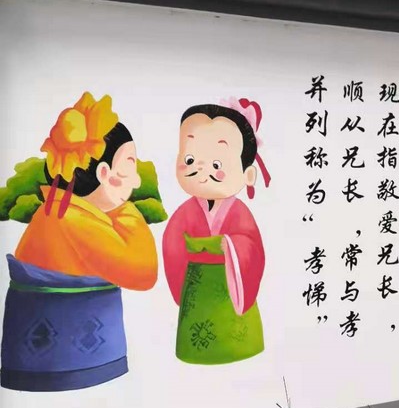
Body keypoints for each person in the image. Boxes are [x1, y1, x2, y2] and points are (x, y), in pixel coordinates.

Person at [0, 92, 158, 392]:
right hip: (69, 370)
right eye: (130, 166)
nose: (136, 181)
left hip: (51, 363)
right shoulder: (73, 221)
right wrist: (125, 210)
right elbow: (144, 271)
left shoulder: (57, 210)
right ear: (105, 174)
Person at [163, 99, 270, 365]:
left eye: (217, 164)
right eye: (190, 159)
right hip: (197, 288)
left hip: (231, 288)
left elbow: (252, 248)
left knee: (236, 343)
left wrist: (231, 246)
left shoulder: (240, 213)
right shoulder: (185, 213)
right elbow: (172, 247)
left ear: (248, 175)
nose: (201, 170)